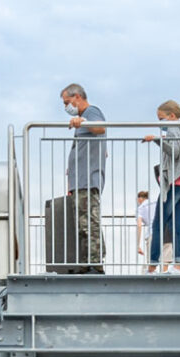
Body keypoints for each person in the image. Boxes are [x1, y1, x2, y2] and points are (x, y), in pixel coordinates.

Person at [142, 103, 180, 272]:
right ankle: (178, 265)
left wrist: (156, 139)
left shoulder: (174, 129)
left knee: (158, 224)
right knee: (176, 225)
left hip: (174, 184)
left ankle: (152, 265)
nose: (160, 122)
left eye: (161, 118)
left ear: (172, 116)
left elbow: (174, 152)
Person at [55, 83, 107, 274]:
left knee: (89, 221)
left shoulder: (91, 112)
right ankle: (88, 261)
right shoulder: (86, 116)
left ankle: (95, 263)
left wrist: (81, 122)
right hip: (80, 180)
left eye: (67, 102)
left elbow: (100, 128)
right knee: (83, 222)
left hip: (87, 180)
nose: (66, 107)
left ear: (77, 97)